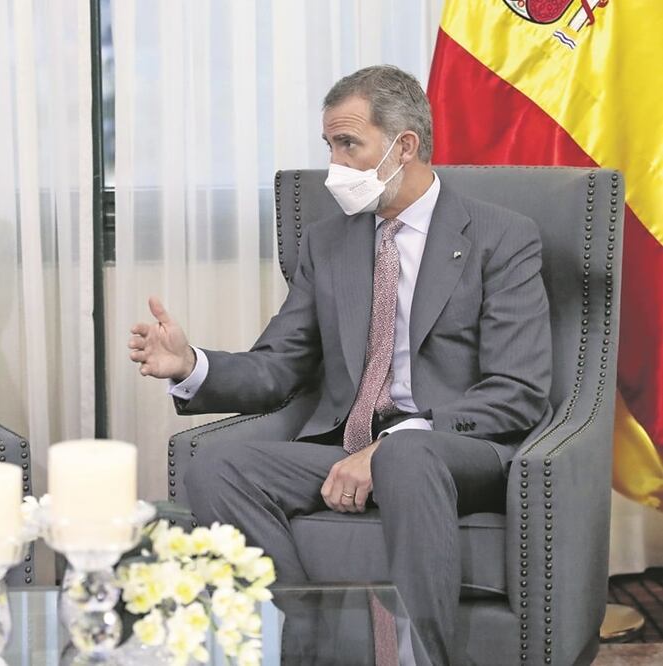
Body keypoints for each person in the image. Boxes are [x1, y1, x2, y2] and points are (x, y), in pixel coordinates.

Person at [128, 66, 553, 665]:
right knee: (216, 464)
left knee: (406, 453)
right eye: (329, 145)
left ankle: (422, 658)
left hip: (456, 446)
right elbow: (279, 365)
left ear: (404, 146)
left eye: (348, 144)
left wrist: (393, 444)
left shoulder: (500, 237)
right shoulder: (328, 243)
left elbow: (517, 390)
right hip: (344, 445)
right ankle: (307, 641)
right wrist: (190, 365)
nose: (334, 165)